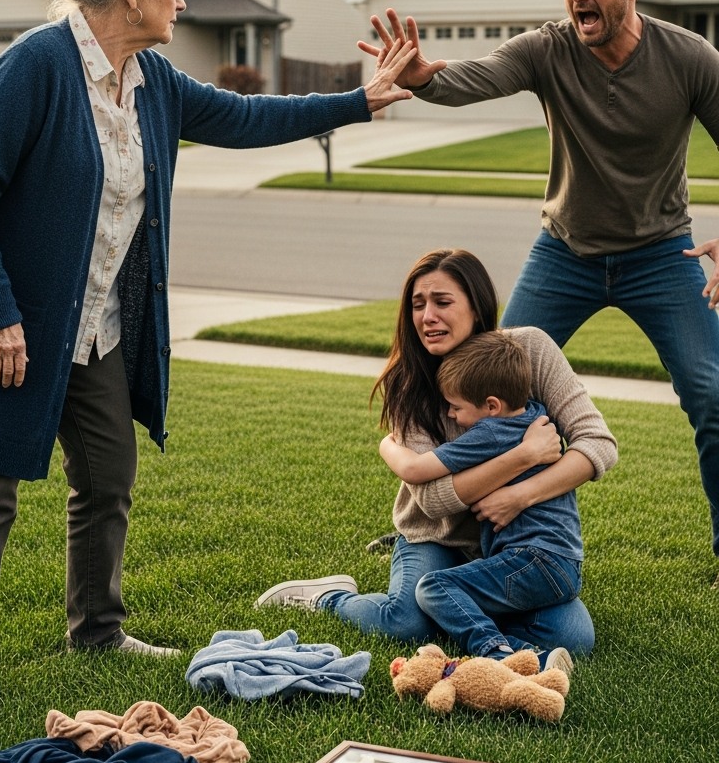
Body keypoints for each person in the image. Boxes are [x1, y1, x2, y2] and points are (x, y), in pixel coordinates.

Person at [0, 0, 418, 721]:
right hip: (15, 330)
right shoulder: (35, 67)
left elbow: (244, 116)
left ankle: (96, 628)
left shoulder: (152, 80)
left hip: (96, 330)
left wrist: (361, 99)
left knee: (107, 476)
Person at [362, 0, 719, 568]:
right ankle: (440, 532)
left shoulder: (690, 58)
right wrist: (420, 77)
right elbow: (475, 77)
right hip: (565, 253)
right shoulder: (547, 49)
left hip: (663, 254)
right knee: (473, 383)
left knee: (713, 395)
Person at [255, 248, 617, 659]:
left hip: (511, 546)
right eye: (418, 304)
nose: (428, 316)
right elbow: (431, 498)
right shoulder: (408, 383)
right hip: (436, 534)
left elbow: (597, 444)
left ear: (477, 307)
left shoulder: (530, 350)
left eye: (443, 302)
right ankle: (330, 598)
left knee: (573, 638)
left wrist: (520, 495)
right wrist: (524, 455)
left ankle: (459, 609)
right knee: (406, 622)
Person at [379, 330, 582, 670]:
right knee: (436, 602)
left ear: (491, 406)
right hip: (565, 563)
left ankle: (500, 653)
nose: (452, 415)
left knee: (433, 587)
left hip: (532, 560)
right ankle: (533, 655)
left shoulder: (489, 432)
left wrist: (386, 444)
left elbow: (416, 469)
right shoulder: (536, 414)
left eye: (456, 407)